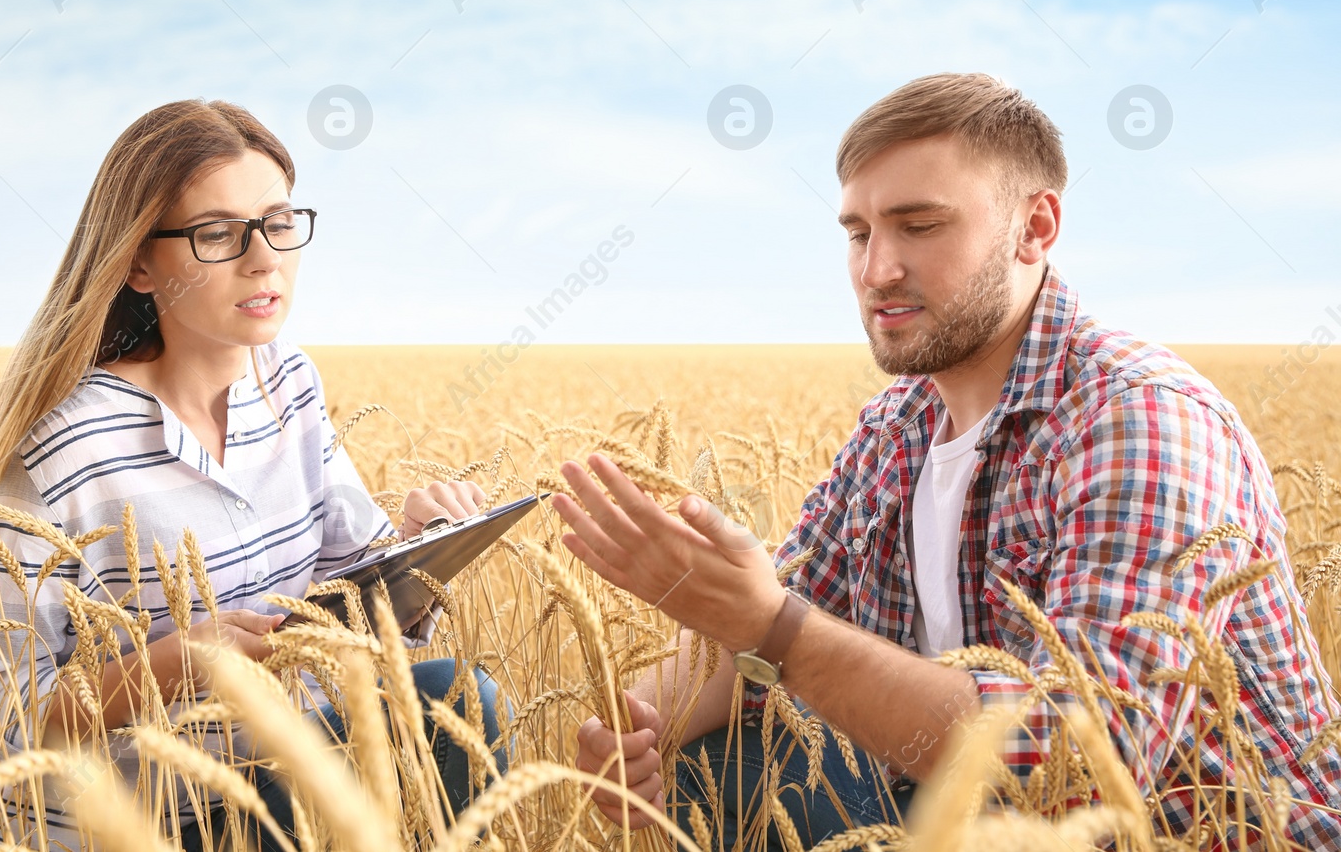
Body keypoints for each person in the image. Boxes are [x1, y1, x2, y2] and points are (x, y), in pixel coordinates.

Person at [555, 73, 1341, 849]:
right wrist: (634, 722)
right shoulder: (897, 426)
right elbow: (773, 627)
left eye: (920, 226)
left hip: (1194, 837)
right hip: (980, 830)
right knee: (718, 770)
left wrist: (770, 626)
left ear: (1035, 227)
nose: (876, 270)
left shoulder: (1139, 418)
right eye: (859, 234)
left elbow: (1078, 766)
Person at [0, 99, 506, 850]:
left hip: (288, 782)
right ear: (138, 262)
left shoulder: (291, 385)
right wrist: (172, 664)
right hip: (145, 822)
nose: (264, 259)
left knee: (454, 704)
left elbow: (345, 596)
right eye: (218, 233)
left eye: (279, 223)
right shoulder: (64, 448)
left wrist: (418, 547)